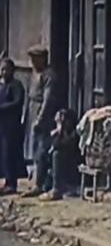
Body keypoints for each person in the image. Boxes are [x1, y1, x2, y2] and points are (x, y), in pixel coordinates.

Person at [21, 45, 59, 197]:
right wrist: (25, 114)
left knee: (42, 149)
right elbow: (28, 94)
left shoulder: (49, 76)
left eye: (36, 59)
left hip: (42, 113)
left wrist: (40, 118)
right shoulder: (33, 74)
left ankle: (40, 183)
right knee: (32, 147)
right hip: (32, 109)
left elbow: (47, 100)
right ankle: (34, 179)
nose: (33, 62)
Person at [38, 109, 81, 201]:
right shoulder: (57, 132)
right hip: (58, 167)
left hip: (72, 167)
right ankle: (38, 185)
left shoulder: (74, 133)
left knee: (57, 155)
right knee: (43, 153)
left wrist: (60, 132)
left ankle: (56, 190)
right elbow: (47, 144)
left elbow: (59, 145)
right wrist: (54, 134)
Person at [0, 58, 26, 195]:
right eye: (2, 69)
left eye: (7, 69)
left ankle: (12, 183)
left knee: (10, 153)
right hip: (1, 124)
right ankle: (6, 180)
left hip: (12, 125)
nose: (4, 72)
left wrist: (2, 108)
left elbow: (17, 103)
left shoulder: (16, 85)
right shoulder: (1, 85)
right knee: (3, 154)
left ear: (12, 70)